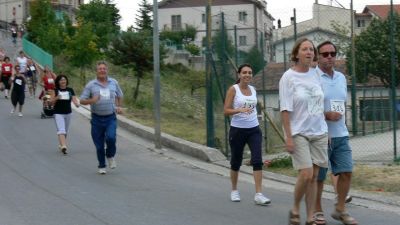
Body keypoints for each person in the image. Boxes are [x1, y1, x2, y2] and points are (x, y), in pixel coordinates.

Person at [279, 38, 328, 225]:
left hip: (319, 131)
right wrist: (288, 137)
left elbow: (319, 104)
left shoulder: (316, 74)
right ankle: (295, 208)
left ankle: (310, 217)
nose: (309, 52)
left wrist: (325, 130)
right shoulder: (288, 77)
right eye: (305, 49)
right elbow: (285, 108)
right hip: (298, 132)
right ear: (296, 53)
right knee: (306, 173)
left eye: (311, 50)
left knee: (314, 177)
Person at [314, 41, 358, 225]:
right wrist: (325, 115)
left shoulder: (340, 77)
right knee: (320, 177)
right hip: (320, 134)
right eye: (325, 54)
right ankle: (317, 211)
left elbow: (339, 102)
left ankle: (340, 209)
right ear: (317, 56)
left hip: (341, 132)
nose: (330, 57)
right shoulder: (312, 77)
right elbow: (307, 108)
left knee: (346, 171)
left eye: (333, 53)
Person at [223, 63, 271, 206]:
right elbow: (226, 110)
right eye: (244, 72)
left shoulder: (253, 90)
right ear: (239, 75)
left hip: (254, 129)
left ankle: (259, 194)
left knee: (257, 160)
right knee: (236, 161)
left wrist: (251, 111)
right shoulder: (233, 89)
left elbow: (254, 107)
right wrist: (239, 110)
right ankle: (234, 190)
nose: (247, 75)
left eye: (250, 73)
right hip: (238, 130)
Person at [80, 61, 123, 174]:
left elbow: (120, 95)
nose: (102, 70)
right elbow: (82, 100)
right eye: (100, 69)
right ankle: (102, 165)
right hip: (97, 119)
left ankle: (110, 155)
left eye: (104, 68)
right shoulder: (91, 85)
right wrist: (92, 100)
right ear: (97, 71)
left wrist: (119, 106)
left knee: (111, 138)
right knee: (99, 145)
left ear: (107, 70)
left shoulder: (113, 82)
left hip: (110, 117)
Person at [50, 75, 80, 154]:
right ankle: (64, 146)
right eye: (61, 80)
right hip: (58, 113)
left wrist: (76, 104)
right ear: (58, 82)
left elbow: (74, 99)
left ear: (66, 81)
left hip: (68, 113)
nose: (63, 81)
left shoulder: (70, 90)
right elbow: (51, 103)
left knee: (65, 131)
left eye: (64, 80)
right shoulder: (55, 90)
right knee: (61, 130)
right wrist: (57, 98)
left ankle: (61, 144)